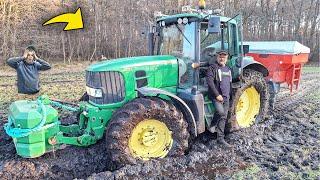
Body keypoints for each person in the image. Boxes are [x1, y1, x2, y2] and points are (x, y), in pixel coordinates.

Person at [206, 50, 232, 148]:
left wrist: (230, 96)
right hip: (216, 97)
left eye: (224, 57)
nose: (222, 58)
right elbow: (210, 82)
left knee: (224, 117)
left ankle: (220, 139)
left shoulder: (228, 69)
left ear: (226, 58)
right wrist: (217, 95)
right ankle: (212, 125)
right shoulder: (212, 68)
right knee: (220, 112)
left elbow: (229, 83)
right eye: (220, 57)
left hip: (226, 97)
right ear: (217, 57)